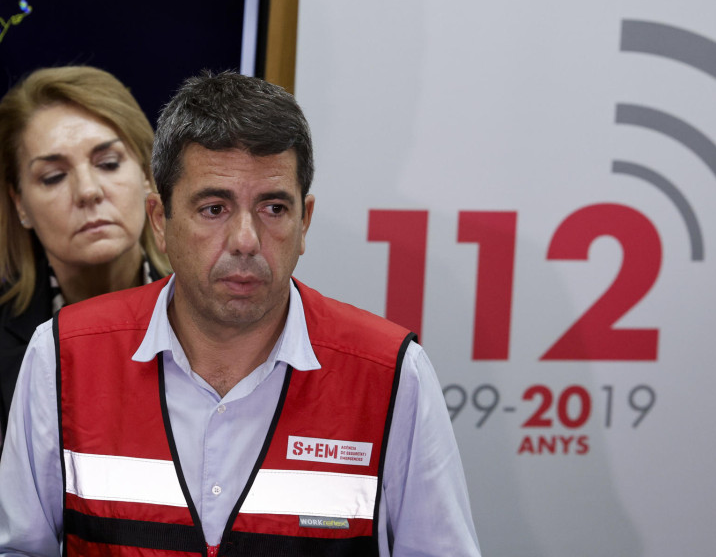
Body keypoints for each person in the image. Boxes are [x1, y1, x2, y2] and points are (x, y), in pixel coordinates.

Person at [0, 71, 481, 556]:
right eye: (214, 208)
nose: (246, 241)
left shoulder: (391, 374)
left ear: (304, 222)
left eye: (273, 208)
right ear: (161, 220)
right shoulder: (61, 355)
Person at [0, 66, 171, 445]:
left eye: (108, 164)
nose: (88, 191)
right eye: (53, 176)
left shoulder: (215, 311)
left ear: (147, 174)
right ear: (20, 204)